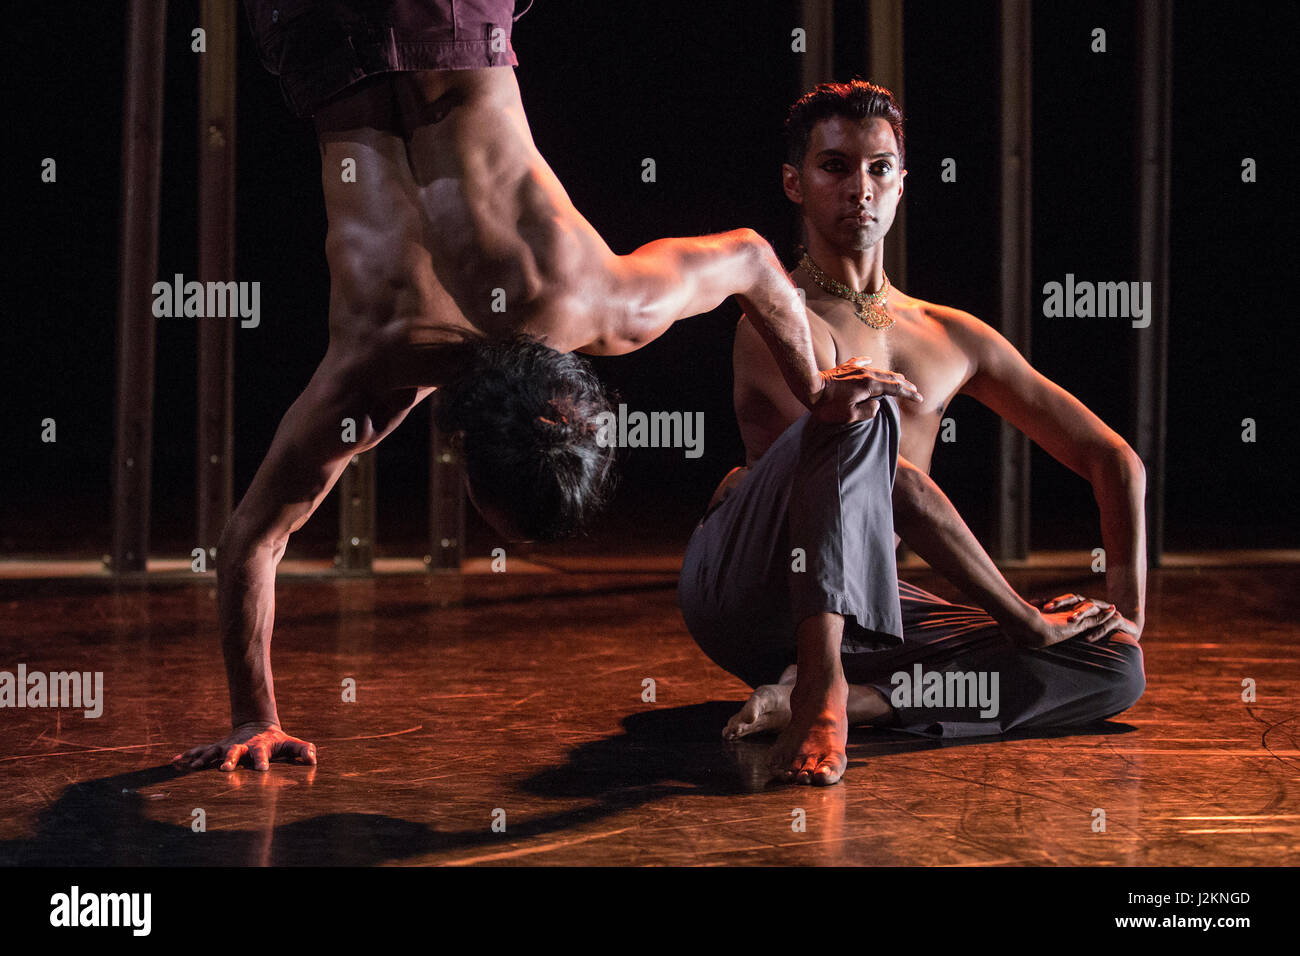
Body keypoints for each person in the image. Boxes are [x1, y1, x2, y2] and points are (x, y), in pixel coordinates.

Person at [174, 4, 914, 773]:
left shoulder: (592, 301)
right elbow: (250, 542)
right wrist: (252, 717)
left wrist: (818, 386)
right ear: (460, 448)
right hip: (319, 39)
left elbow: (755, 263)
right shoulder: (374, 367)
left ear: (571, 407)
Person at [678, 80, 1146, 786]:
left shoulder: (951, 334)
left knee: (1112, 668)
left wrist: (1127, 608)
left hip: (873, 603)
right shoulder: (777, 320)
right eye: (834, 166)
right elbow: (875, 477)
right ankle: (818, 689)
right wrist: (1021, 617)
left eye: (879, 168)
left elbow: (1111, 457)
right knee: (857, 416)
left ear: (901, 183)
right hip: (755, 590)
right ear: (795, 184)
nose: (859, 187)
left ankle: (866, 702)